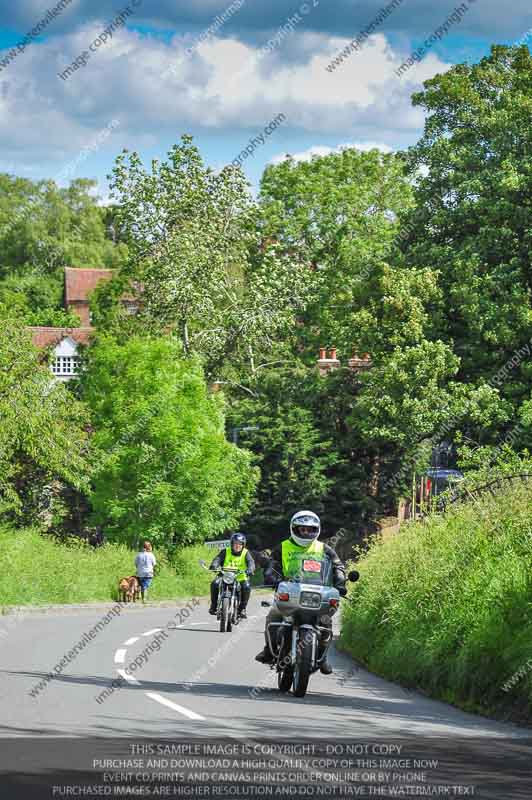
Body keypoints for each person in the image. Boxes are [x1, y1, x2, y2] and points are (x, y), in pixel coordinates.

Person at [255, 510, 346, 675]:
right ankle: (269, 650)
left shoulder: (324, 549)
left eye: (310, 529)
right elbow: (272, 565)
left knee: (326, 622)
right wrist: (270, 576)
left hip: (318, 594)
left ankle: (323, 658)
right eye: (302, 529)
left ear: (316, 530)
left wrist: (340, 582)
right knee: (273, 616)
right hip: (290, 592)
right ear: (294, 528)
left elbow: (338, 566)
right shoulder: (282, 547)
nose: (306, 532)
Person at [209, 533, 255, 619]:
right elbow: (217, 559)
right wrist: (214, 565)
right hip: (225, 575)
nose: (237, 545)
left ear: (243, 545)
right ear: (232, 543)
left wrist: (250, 569)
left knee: (247, 587)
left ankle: (242, 609)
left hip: (240, 576)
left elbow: (251, 562)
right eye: (235, 543)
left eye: (240, 544)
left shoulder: (246, 553)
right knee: (214, 583)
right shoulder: (225, 551)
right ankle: (214, 606)